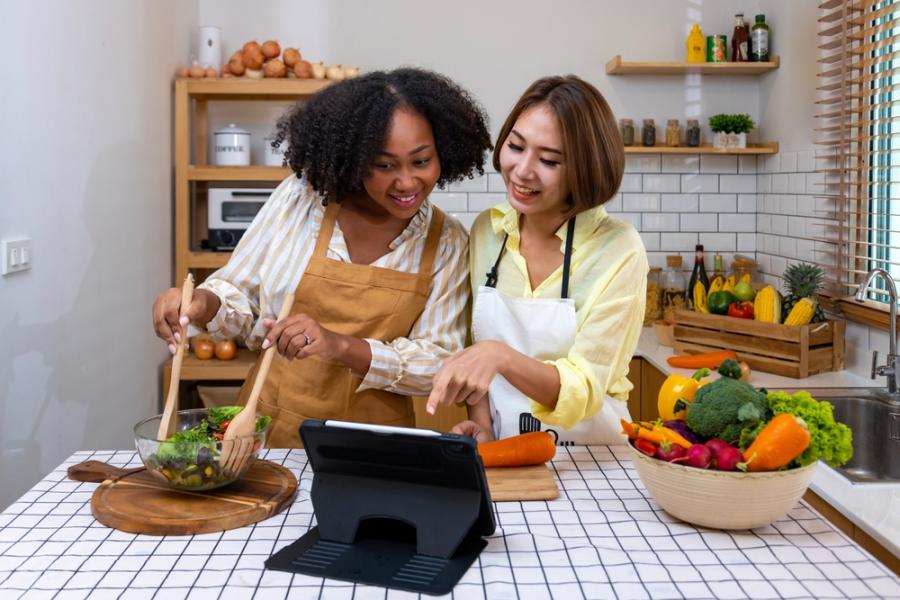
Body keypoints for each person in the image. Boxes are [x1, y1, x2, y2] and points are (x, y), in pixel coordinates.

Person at [152, 68, 492, 447]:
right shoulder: (302, 199)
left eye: (421, 161)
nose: (407, 182)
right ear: (355, 158)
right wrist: (201, 303)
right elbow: (240, 293)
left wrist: (340, 345)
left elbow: (438, 362)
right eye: (384, 165)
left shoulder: (446, 241)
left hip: (376, 446)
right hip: (268, 432)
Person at [426, 75, 647, 445]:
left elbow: (585, 385)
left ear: (586, 168)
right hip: (506, 449)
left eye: (549, 160)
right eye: (516, 146)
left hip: (591, 461)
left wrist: (501, 356)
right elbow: (473, 347)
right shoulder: (488, 231)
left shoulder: (618, 248)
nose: (523, 170)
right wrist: (482, 424)